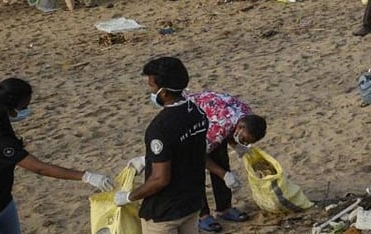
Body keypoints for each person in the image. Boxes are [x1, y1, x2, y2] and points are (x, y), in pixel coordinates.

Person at [0, 78, 114, 233]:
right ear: (11, 106)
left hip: (4, 199)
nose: (26, 110)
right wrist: (86, 176)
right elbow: (40, 168)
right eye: (24, 107)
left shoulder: (0, 113)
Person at [114, 57, 209, 233]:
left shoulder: (159, 128)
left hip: (165, 213)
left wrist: (129, 197)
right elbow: (190, 150)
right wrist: (149, 158)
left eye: (151, 86)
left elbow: (160, 179)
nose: (150, 90)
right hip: (192, 204)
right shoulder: (198, 113)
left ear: (164, 92)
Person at [183, 91, 267, 232]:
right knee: (194, 169)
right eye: (244, 140)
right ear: (240, 127)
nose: (244, 143)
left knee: (221, 158)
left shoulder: (246, 114)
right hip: (189, 118)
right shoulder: (220, 126)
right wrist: (224, 175)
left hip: (213, 116)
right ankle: (202, 215)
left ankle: (224, 208)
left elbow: (230, 132)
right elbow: (197, 155)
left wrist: (237, 145)